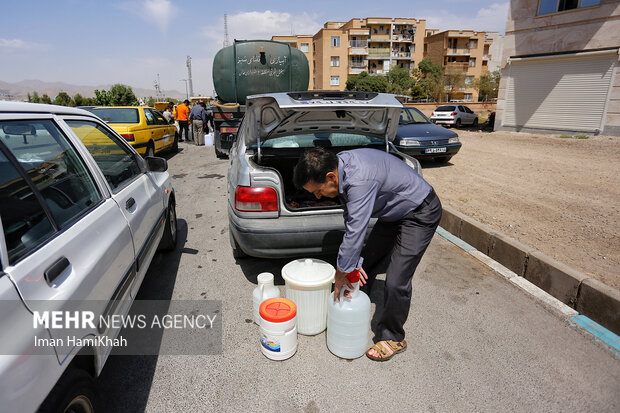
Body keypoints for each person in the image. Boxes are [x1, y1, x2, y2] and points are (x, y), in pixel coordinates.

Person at [293, 147, 442, 362]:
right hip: (393, 211)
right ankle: (354, 306)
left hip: (420, 211)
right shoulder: (340, 165)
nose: (316, 196)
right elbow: (351, 217)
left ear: (330, 176)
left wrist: (341, 272)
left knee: (396, 279)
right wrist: (353, 262)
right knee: (368, 260)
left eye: (317, 190)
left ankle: (394, 337)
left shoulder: (359, 179)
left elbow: (356, 230)